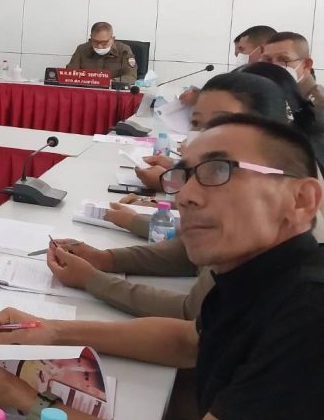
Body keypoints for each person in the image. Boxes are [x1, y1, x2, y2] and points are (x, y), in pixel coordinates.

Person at [0, 114, 324, 420]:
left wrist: (17, 396)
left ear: (301, 199)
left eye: (219, 170)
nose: (186, 196)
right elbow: (187, 340)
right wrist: (52, 331)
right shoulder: (260, 275)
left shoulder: (309, 314)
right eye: (184, 176)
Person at [54, 72, 294, 320]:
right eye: (196, 123)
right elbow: (190, 252)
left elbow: (193, 318)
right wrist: (105, 259)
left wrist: (91, 281)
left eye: (220, 123)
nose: (203, 135)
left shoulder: (269, 200)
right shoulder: (224, 177)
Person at [178, 25, 276, 106]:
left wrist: (202, 100)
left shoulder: (276, 80)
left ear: (262, 49)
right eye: (236, 54)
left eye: (241, 49)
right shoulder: (241, 77)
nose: (239, 56)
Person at [260, 30, 324, 122]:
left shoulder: (319, 106)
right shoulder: (277, 95)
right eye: (268, 59)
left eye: (283, 59)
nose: (273, 66)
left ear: (306, 65)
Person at [66, 22, 137, 83]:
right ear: (91, 37)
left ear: (112, 39)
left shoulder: (124, 50)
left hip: (112, 89)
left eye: (104, 43)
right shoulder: (82, 49)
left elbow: (131, 76)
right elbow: (70, 73)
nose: (99, 46)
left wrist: (109, 82)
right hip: (87, 88)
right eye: (95, 41)